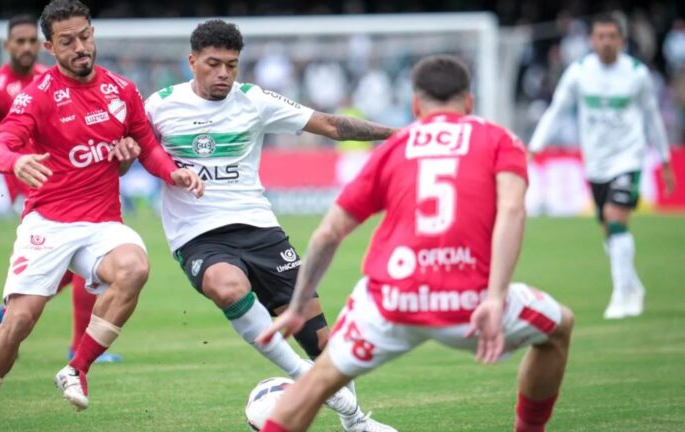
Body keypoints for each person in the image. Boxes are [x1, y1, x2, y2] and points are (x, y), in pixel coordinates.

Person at [256, 55, 575, 432]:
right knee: (558, 329)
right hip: (468, 305)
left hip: (391, 301)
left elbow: (329, 231)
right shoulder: (499, 140)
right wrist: (495, 297)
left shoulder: (397, 146)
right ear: (469, 102)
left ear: (415, 104)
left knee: (315, 385)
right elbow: (512, 213)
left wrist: (296, 308)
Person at [0, 1, 203, 431]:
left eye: (85, 36)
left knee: (134, 268)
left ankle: (77, 367)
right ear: (51, 47)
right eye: (67, 42)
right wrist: (14, 163)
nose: (80, 47)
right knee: (18, 322)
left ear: (93, 34)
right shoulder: (38, 97)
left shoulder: (122, 90)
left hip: (101, 223)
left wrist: (173, 173)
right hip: (48, 223)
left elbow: (146, 145)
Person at [145, 19, 396, 432]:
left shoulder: (254, 100)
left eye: (231, 64)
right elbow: (131, 155)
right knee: (228, 287)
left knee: (323, 343)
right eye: (213, 64)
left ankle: (355, 422)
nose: (223, 73)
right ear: (192, 62)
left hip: (260, 228)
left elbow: (333, 126)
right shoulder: (159, 105)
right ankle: (303, 377)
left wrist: (398, 135)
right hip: (198, 234)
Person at [0, 14, 121, 364]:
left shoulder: (50, 79)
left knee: (80, 264)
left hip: (66, 182)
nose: (26, 48)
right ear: (7, 46)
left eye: (31, 41)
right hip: (31, 189)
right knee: (82, 265)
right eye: (20, 42)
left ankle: (11, 311)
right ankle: (74, 345)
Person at [529, 13, 676, 319]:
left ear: (622, 40)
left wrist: (663, 159)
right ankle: (633, 285)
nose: (606, 42)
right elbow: (557, 110)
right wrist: (535, 146)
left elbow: (652, 118)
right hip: (595, 161)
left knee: (615, 217)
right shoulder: (579, 73)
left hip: (628, 157)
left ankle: (622, 296)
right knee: (608, 228)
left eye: (612, 36)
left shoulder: (636, 74)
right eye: (601, 36)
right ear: (592, 40)